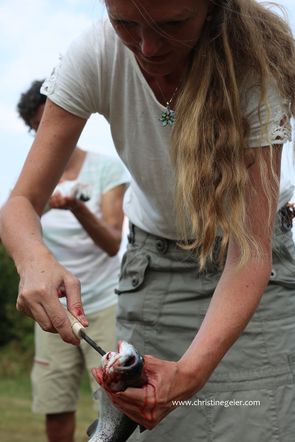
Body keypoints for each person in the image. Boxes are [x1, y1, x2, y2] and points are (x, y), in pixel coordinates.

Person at [1, 1, 295, 440]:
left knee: (253, 424)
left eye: (173, 24)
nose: (148, 46)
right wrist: (32, 258)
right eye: (125, 23)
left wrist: (190, 375)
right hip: (154, 270)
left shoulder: (255, 64)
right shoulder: (96, 53)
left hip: (253, 272)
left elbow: (248, 253)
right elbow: (20, 202)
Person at [16, 80, 129, 442]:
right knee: (56, 402)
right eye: (36, 129)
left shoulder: (106, 170)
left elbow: (112, 242)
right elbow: (18, 226)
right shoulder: (34, 181)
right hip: (54, 307)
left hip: (106, 303)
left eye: (47, 123)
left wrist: (79, 209)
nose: (43, 135)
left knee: (119, 404)